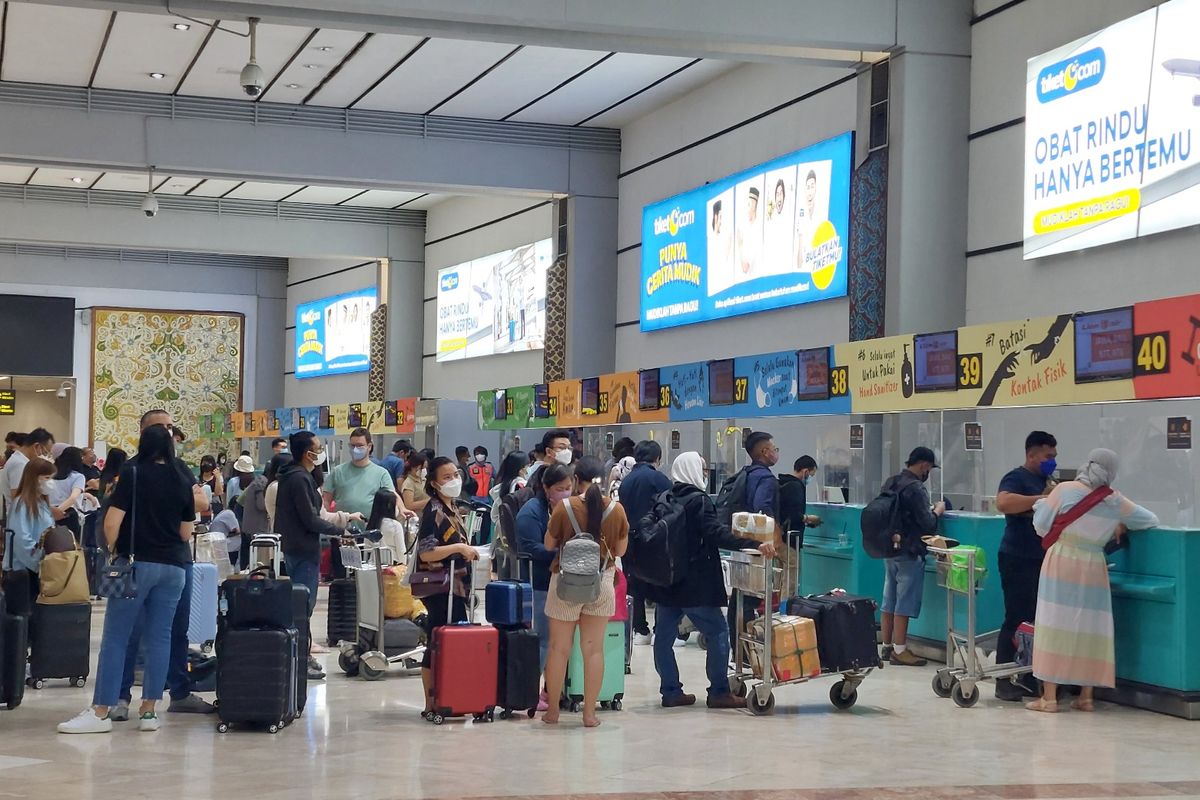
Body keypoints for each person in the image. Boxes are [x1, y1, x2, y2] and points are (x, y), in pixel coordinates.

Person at [58, 423, 194, 734]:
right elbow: (186, 531)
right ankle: (149, 712)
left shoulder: (133, 473)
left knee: (117, 636)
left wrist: (117, 550)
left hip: (137, 564)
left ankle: (101, 710)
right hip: (173, 567)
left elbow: (111, 522)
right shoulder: (182, 477)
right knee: (161, 638)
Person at [1026, 449, 1158, 713]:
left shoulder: (1064, 490)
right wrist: (1120, 524)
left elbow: (1041, 526)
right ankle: (1086, 696)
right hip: (1094, 565)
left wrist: (1042, 506)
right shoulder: (1114, 501)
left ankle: (1049, 698)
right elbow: (1150, 520)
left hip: (1061, 560)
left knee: (1053, 624)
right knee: (1091, 626)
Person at [649, 452, 776, 709]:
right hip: (695, 582)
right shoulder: (699, 500)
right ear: (693, 470)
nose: (706, 473)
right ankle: (719, 691)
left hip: (666, 580)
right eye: (703, 468)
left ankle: (670, 691)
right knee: (717, 632)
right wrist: (752, 543)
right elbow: (715, 533)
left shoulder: (664, 498)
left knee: (663, 637)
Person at [114, 409, 212, 719]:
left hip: (177, 559)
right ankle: (120, 696)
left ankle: (178, 691)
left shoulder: (179, 468)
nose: (169, 434)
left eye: (171, 427)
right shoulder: (131, 470)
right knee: (131, 631)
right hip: (137, 558)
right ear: (145, 432)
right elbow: (115, 516)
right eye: (162, 428)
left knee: (176, 629)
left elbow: (203, 503)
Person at [541, 456, 628, 728]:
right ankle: (589, 715)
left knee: (558, 649)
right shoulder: (616, 509)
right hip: (601, 582)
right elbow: (621, 551)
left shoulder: (564, 507)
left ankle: (553, 711)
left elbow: (548, 544)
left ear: (576, 480)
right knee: (593, 650)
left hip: (566, 583)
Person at [994, 430, 1058, 701]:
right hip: (1017, 557)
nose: (1052, 461)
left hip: (1041, 558)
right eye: (1048, 456)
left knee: (1037, 620)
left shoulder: (1048, 480)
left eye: (1054, 457)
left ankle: (1030, 675)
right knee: (1016, 616)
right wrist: (1041, 501)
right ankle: (1003, 678)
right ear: (1031, 454)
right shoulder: (1017, 477)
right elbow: (1003, 502)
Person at [415, 456, 479, 719]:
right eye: (446, 477)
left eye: (456, 475)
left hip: (456, 586)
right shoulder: (434, 511)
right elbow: (426, 554)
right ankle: (432, 701)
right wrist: (459, 548)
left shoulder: (451, 508)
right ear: (433, 483)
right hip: (440, 587)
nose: (453, 481)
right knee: (437, 641)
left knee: (445, 641)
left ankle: (447, 695)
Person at [277, 431, 343, 681]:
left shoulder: (292, 476)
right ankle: (301, 658)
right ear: (308, 453)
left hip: (295, 547)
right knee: (303, 605)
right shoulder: (299, 479)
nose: (321, 451)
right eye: (318, 447)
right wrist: (339, 530)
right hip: (303, 549)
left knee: (299, 604)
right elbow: (310, 518)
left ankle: (299, 653)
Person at [879, 447, 944, 667]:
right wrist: (938, 510)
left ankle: (886, 646)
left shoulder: (890, 481)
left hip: (889, 548)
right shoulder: (915, 488)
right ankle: (900, 650)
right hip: (910, 549)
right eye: (929, 468)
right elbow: (928, 523)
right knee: (904, 600)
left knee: (889, 599)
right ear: (924, 465)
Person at [515, 462, 571, 699]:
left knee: (560, 642)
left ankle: (553, 689)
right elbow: (530, 548)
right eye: (560, 488)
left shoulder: (569, 509)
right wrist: (562, 553)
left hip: (564, 583)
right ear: (546, 488)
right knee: (543, 639)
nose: (566, 492)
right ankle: (528, 691)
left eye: (569, 487)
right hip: (539, 583)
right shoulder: (530, 512)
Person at [726, 431, 780, 648]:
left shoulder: (745, 473)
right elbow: (762, 510)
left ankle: (736, 647)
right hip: (759, 549)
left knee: (740, 598)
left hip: (740, 545)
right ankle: (747, 652)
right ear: (764, 452)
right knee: (751, 600)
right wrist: (772, 535)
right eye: (774, 449)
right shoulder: (766, 479)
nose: (776, 453)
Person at [616, 440, 672, 645]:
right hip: (654, 540)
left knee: (634, 586)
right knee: (659, 584)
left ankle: (639, 629)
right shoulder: (659, 479)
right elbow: (669, 507)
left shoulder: (627, 481)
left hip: (629, 540)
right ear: (657, 458)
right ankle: (660, 628)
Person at [323, 428, 413, 521]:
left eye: (359, 446)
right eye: (352, 446)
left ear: (369, 446)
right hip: (343, 530)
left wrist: (402, 508)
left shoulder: (381, 473)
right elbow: (326, 500)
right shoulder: (338, 471)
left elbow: (392, 494)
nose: (355, 449)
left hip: (370, 529)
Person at [4, 458, 56, 610]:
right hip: (23, 570)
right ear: (35, 478)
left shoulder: (41, 503)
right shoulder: (22, 504)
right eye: (47, 478)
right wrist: (37, 562)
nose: (50, 482)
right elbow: (21, 539)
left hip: (40, 567)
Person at [778, 455, 820, 546]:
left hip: (780, 537)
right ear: (805, 471)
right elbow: (793, 515)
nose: (810, 479)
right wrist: (808, 518)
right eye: (811, 475)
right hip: (790, 540)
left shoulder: (782, 483)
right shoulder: (796, 487)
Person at [49, 446, 89, 537]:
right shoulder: (78, 476)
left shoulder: (50, 474)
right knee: (69, 547)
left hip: (47, 511)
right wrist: (58, 511)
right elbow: (73, 497)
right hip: (66, 513)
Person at [5, 428, 55, 501]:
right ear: (36, 446)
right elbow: (18, 497)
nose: (45, 457)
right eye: (45, 453)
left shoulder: (23, 461)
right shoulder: (19, 464)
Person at [198, 455, 223, 523]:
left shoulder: (217, 478)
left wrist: (217, 477)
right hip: (202, 508)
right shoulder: (197, 478)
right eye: (204, 463)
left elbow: (219, 493)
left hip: (215, 507)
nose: (206, 465)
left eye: (208, 463)